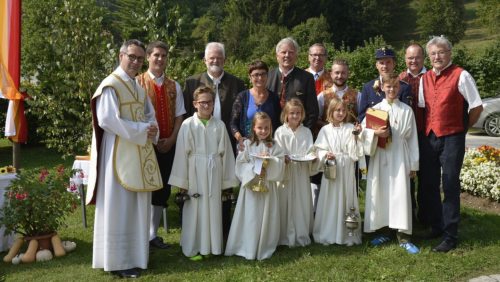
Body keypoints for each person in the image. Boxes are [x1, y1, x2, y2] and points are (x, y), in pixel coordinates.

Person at [86, 39, 162, 278]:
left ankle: (135, 256)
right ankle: (116, 261)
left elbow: (151, 116)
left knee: (137, 206)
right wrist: (142, 131)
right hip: (117, 152)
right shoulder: (111, 84)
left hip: (138, 154)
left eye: (140, 58)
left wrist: (152, 129)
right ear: (121, 55)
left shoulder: (139, 88)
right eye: (132, 56)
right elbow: (107, 119)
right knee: (119, 206)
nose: (136, 62)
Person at [418, 36, 483, 253]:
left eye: (441, 52)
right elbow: (423, 107)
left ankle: (450, 234)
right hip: (430, 137)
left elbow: (476, 107)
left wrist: (462, 128)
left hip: (453, 136)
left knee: (450, 184)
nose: (437, 57)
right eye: (433, 53)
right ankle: (436, 226)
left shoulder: (461, 75)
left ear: (449, 53)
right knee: (428, 183)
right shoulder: (424, 78)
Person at [182, 42, 245, 240]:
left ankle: (223, 232)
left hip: (224, 143)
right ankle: (197, 234)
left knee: (225, 188)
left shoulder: (236, 83)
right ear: (205, 60)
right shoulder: (192, 82)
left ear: (224, 60)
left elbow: (240, 116)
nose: (215, 61)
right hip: (199, 144)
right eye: (211, 58)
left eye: (219, 57)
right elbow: (185, 113)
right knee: (198, 192)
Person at [168, 86, 238, 260]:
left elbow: (226, 154)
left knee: (213, 210)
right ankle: (193, 248)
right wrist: (182, 183)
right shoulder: (187, 125)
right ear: (195, 104)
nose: (207, 105)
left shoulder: (219, 125)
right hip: (194, 172)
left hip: (214, 172)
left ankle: (212, 247)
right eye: (203, 102)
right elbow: (182, 154)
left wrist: (226, 182)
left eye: (210, 102)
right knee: (195, 210)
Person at [362, 73, 420, 254]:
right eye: (388, 87)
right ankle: (383, 231)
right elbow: (363, 134)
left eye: (395, 87)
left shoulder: (406, 110)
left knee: (400, 194)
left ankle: (403, 236)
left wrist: (413, 165)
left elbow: (412, 139)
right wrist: (376, 134)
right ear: (382, 88)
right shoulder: (375, 110)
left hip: (400, 157)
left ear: (400, 88)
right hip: (380, 156)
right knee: (381, 193)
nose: (392, 90)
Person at [137, 41, 186, 249]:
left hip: (168, 145)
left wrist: (172, 140)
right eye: (156, 55)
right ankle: (139, 235)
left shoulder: (174, 86)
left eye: (164, 55)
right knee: (143, 189)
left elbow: (179, 116)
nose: (160, 59)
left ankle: (152, 234)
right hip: (144, 146)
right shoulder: (137, 83)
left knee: (162, 190)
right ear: (148, 57)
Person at [225, 112, 285, 260]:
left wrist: (270, 164)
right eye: (260, 128)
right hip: (251, 188)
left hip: (268, 188)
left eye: (266, 128)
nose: (263, 131)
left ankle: (265, 244)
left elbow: (280, 163)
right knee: (251, 216)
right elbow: (240, 164)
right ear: (253, 128)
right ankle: (247, 245)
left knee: (267, 215)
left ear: (271, 128)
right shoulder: (247, 145)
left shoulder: (275, 146)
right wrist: (254, 168)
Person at [313, 98, 364, 246]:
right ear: (331, 112)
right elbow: (318, 149)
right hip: (332, 168)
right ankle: (328, 232)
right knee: (331, 198)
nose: (341, 113)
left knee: (346, 198)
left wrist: (357, 136)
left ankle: (347, 233)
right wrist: (325, 155)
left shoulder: (350, 128)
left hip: (346, 168)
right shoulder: (325, 130)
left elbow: (356, 151)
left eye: (343, 110)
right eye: (337, 110)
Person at [275, 98, 318, 247]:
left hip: (300, 172)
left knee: (301, 201)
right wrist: (282, 158)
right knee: (285, 200)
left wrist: (312, 158)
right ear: (286, 114)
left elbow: (311, 150)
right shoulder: (280, 132)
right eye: (292, 113)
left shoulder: (306, 132)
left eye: (298, 113)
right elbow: (277, 152)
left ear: (302, 114)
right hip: (286, 172)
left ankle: (301, 232)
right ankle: (284, 234)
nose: (295, 116)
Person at [398, 43, 426, 225]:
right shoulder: (400, 79)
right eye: (410, 57)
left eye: (417, 57)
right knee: (406, 176)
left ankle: (425, 215)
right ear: (405, 59)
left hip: (426, 133)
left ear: (423, 58)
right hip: (405, 136)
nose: (413, 61)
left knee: (426, 177)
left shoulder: (431, 77)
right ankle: (408, 212)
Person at [267, 37, 319, 130]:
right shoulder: (267, 76)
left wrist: (303, 133)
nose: (287, 55)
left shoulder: (307, 78)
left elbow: (313, 112)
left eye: (291, 52)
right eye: (283, 52)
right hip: (269, 134)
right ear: (277, 55)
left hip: (298, 134)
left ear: (296, 56)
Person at [230, 60, 281, 148]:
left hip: (268, 147)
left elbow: (278, 123)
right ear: (250, 77)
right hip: (246, 146)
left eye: (263, 74)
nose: (260, 78)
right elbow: (233, 123)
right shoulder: (242, 97)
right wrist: (240, 138)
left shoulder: (274, 97)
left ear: (267, 75)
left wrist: (274, 142)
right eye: (256, 75)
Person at [358, 47, 413, 122]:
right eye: (381, 63)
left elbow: (406, 115)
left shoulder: (405, 87)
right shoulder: (367, 88)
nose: (385, 66)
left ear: (394, 64)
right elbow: (362, 117)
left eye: (388, 62)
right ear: (377, 65)